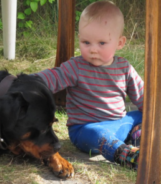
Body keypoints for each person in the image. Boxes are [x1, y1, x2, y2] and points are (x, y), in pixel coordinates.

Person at [32, 1, 143, 169]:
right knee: (96, 133)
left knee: (143, 115)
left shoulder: (124, 68)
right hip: (85, 130)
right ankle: (125, 155)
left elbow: (143, 97)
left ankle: (138, 136)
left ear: (120, 43)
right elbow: (54, 76)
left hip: (119, 123)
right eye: (86, 42)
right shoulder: (76, 67)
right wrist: (31, 81)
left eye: (102, 43)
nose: (93, 50)